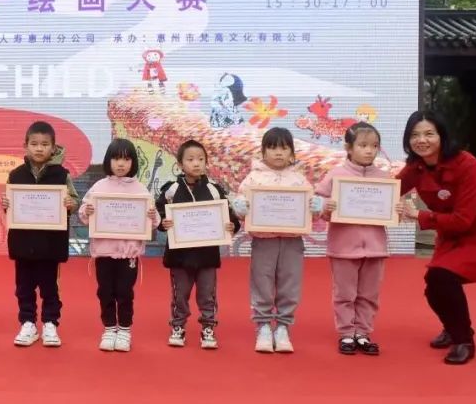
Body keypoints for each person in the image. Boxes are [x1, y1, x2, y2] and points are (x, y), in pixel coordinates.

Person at [396, 111, 476, 365]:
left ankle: (464, 340)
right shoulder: (416, 168)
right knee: (434, 285)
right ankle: (452, 328)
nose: (422, 140)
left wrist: (418, 215)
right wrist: (344, 198)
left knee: (442, 277)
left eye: (429, 133)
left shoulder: (466, 163)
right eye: (415, 135)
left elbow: (464, 220)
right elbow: (387, 191)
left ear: (442, 136)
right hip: (452, 235)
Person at [233, 128, 324, 354]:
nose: (278, 153)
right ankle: (263, 326)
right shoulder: (253, 178)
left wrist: (316, 207)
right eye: (272, 148)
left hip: (292, 242)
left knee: (290, 283)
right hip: (263, 241)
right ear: (263, 151)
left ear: (292, 152)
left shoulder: (299, 179)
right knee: (261, 282)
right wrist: (240, 207)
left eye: (284, 148)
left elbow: (312, 212)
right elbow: (242, 205)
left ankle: (283, 327)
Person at [156, 139, 239, 350]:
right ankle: (178, 326)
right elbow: (157, 214)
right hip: (179, 256)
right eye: (191, 159)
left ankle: (208, 327)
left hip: (207, 256)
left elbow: (229, 216)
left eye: (201, 159)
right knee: (180, 295)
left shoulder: (215, 190)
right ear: (180, 164)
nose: (196, 163)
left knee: (207, 295)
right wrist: (162, 223)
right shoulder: (171, 190)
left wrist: (232, 225)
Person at [315, 123, 390, 356]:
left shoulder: (384, 178)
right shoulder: (336, 174)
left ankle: (363, 333)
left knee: (369, 294)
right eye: (363, 145)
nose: (369, 150)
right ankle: (347, 332)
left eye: (374, 146)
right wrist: (326, 207)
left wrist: (396, 209)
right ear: (348, 148)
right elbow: (317, 202)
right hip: (343, 247)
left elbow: (392, 210)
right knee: (345, 294)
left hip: (375, 248)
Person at [78, 138, 160, 353]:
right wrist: (86, 211)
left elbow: (153, 222)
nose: (121, 164)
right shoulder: (99, 187)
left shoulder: (140, 189)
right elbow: (84, 214)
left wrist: (152, 215)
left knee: (124, 292)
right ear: (108, 161)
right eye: (116, 159)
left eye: (126, 159)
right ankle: (109, 328)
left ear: (133, 162)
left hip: (128, 255)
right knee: (105, 291)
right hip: (103, 253)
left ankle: (124, 329)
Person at [1, 121, 78, 348]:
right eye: (34, 144)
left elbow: (74, 200)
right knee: (23, 287)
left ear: (53, 148)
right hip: (23, 243)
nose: (39, 148)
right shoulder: (15, 175)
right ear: (25, 146)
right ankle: (28, 323)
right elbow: (9, 205)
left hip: (50, 244)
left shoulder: (62, 175)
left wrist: (70, 203)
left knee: (50, 287)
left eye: (44, 144)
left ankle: (50, 323)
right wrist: (7, 204)